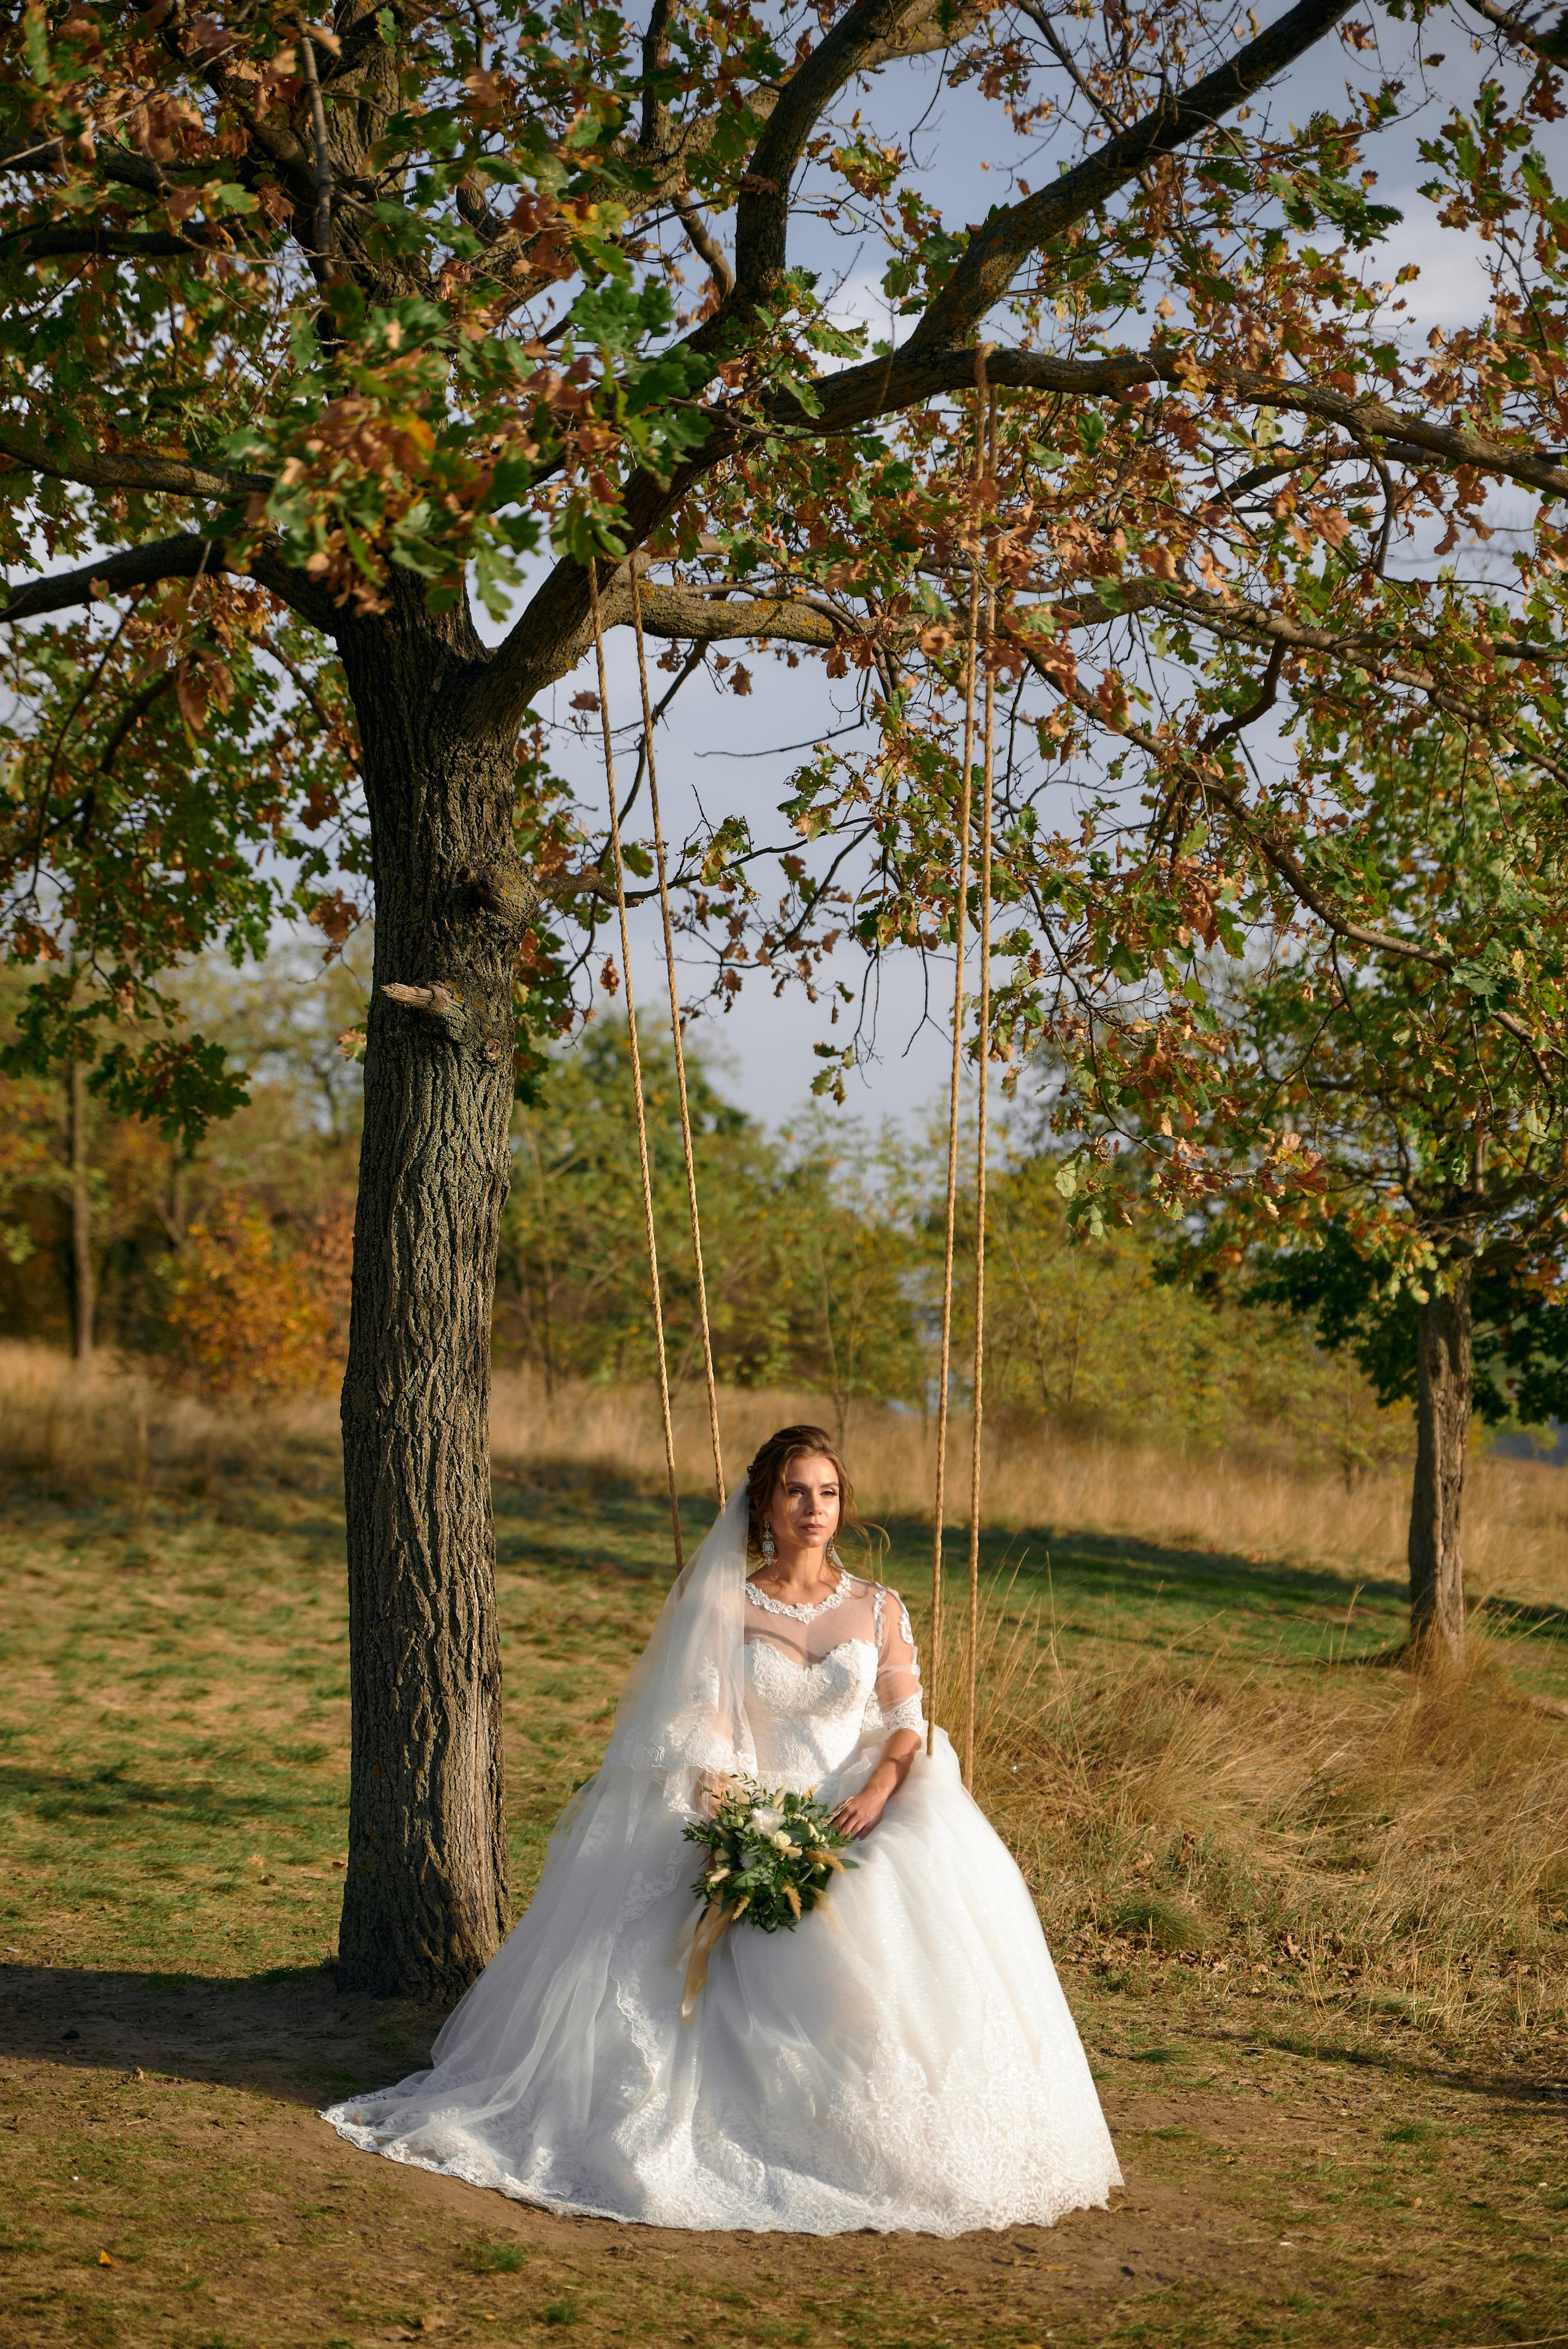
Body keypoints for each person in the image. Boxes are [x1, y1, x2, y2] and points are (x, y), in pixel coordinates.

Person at [323, 1425, 1121, 2234]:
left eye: (829, 1491)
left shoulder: (880, 1605)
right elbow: (706, 1721)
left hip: (851, 1793)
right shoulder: (727, 1599)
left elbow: (906, 1723)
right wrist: (733, 1806)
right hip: (755, 1798)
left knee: (893, 1880)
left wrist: (881, 1788)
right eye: (797, 1491)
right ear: (765, 1503)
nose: (815, 1508)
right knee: (727, 1918)